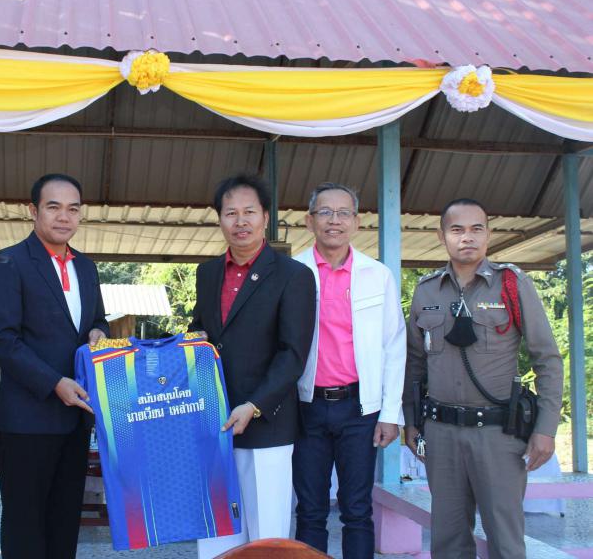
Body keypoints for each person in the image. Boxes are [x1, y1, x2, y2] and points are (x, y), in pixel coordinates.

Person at [403, 198, 563, 559]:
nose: (467, 237)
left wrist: (546, 428)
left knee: (505, 542)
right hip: (441, 435)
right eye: (457, 229)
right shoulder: (426, 290)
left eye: (477, 229)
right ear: (442, 236)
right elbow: (414, 364)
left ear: (488, 235)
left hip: (497, 436)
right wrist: (411, 423)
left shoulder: (512, 284)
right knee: (447, 542)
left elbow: (548, 359)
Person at [0, 173, 109, 559]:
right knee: (25, 527)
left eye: (73, 209)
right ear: (33, 210)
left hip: (75, 421)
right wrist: (54, 382)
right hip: (28, 421)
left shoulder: (86, 267)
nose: (64, 217)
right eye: (53, 207)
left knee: (64, 523)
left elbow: (98, 320)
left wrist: (99, 333)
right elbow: (2, 339)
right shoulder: (9, 262)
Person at [189, 174, 316, 558]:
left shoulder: (294, 276)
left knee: (266, 540)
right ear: (220, 219)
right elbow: (202, 331)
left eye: (249, 212)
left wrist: (255, 405)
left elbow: (293, 353)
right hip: (213, 423)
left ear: (265, 218)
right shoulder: (207, 273)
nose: (240, 221)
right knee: (216, 533)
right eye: (231, 213)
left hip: (266, 425)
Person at [291, 183, 406, 558]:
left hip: (360, 409)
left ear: (356, 222)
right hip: (306, 408)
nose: (334, 221)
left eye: (343, 213)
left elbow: (394, 345)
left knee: (357, 510)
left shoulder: (377, 275)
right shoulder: (293, 273)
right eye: (325, 212)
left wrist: (390, 413)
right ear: (310, 221)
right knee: (310, 511)